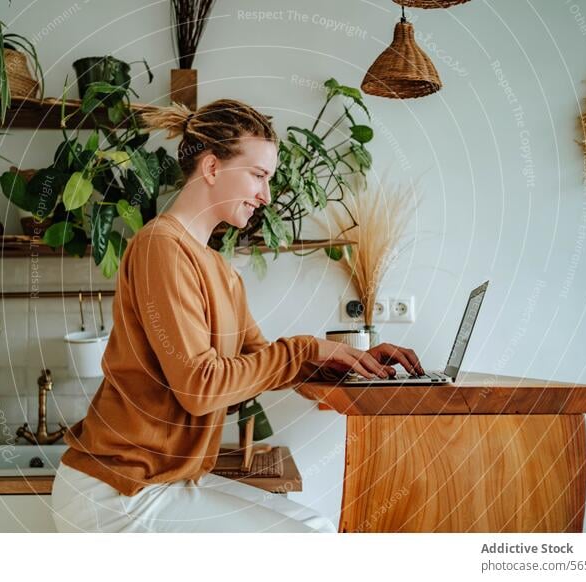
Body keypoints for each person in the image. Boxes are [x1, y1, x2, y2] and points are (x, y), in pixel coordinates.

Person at [51, 98, 424, 533]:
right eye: (258, 175)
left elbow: (264, 364)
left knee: (316, 528)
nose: (265, 195)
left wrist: (349, 362)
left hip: (165, 482)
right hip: (116, 492)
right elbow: (200, 386)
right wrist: (304, 348)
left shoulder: (221, 271)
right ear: (211, 168)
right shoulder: (161, 247)